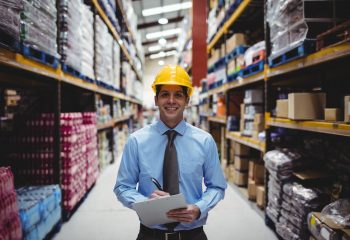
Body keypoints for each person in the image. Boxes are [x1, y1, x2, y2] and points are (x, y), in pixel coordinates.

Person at [114, 65, 227, 240]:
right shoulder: (136, 141)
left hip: (192, 233)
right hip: (150, 235)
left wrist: (199, 208)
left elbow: (217, 186)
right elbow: (123, 187)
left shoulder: (205, 141)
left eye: (178, 95)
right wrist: (146, 204)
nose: (171, 101)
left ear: (187, 100)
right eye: (165, 94)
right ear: (156, 99)